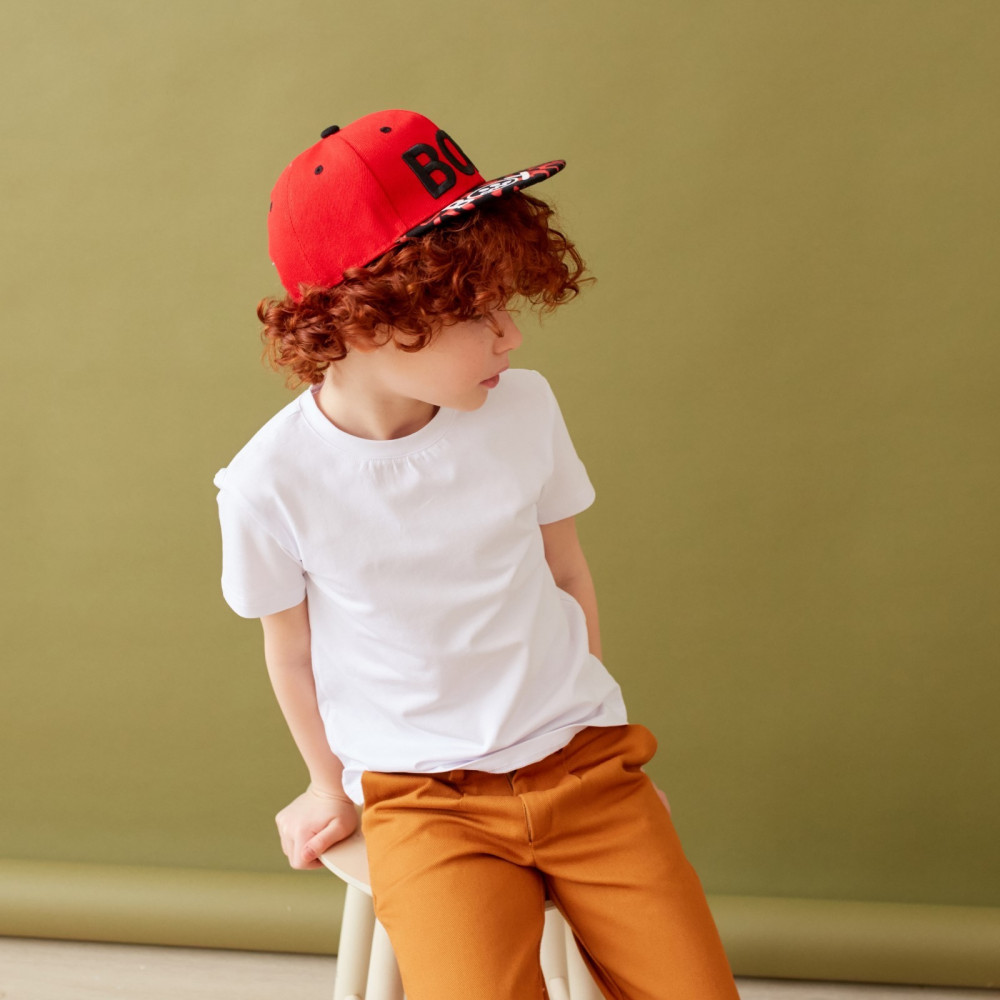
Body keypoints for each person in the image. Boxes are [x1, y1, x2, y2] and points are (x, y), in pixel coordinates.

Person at [214, 109, 738, 1000]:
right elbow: (291, 652)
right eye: (474, 311)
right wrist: (327, 787)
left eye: (507, 302)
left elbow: (567, 575)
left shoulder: (523, 409)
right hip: (426, 801)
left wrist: (598, 744)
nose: (511, 335)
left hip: (585, 771)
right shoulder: (271, 482)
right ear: (363, 318)